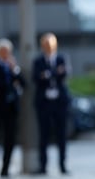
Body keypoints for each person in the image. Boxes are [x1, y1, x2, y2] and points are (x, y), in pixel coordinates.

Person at [32, 32, 71, 175]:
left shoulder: (62, 58)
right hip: (44, 103)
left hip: (60, 102)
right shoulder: (38, 61)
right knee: (44, 135)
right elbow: (36, 77)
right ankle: (43, 166)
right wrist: (54, 72)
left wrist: (48, 73)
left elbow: (65, 73)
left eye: (50, 44)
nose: (48, 47)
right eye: (45, 45)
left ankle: (62, 165)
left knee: (61, 135)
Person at [0, 38, 25, 177]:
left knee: (10, 139)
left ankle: (5, 169)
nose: (6, 54)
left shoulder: (13, 68)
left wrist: (14, 69)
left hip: (11, 109)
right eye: (3, 51)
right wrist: (12, 83)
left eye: (8, 51)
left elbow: (24, 83)